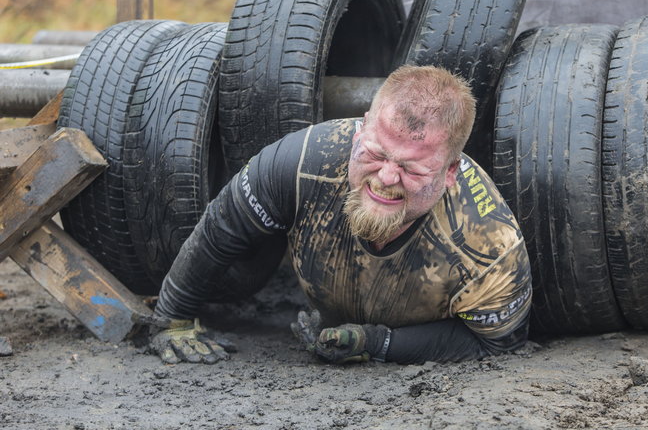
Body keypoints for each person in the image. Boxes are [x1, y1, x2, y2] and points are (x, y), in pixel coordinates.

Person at [149, 65, 532, 364]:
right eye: (376, 153)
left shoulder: (489, 246)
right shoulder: (302, 160)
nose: (385, 178)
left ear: (450, 173)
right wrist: (172, 318)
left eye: (412, 169)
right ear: (360, 129)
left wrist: (378, 343)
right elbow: (223, 226)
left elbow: (497, 343)